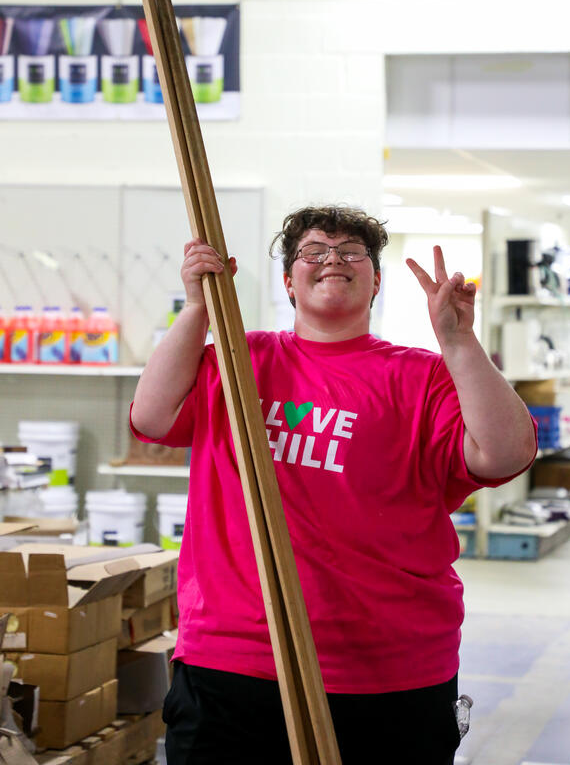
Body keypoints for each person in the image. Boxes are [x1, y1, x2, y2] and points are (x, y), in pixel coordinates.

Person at [130, 204, 537, 765]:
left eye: (352, 254)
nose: (332, 261)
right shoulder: (239, 358)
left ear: (376, 283)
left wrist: (459, 341)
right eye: (313, 252)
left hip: (388, 666)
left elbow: (505, 454)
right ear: (288, 283)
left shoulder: (421, 375)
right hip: (236, 657)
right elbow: (152, 419)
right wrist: (199, 306)